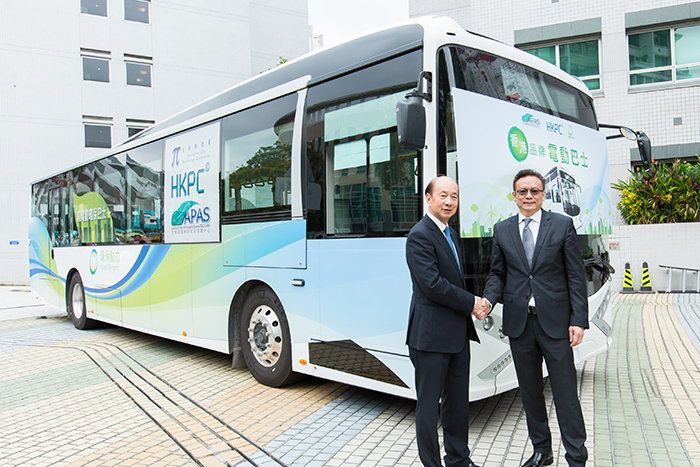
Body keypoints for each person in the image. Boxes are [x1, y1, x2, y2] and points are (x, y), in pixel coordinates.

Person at [476, 169, 588, 467]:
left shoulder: (562, 225)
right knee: (530, 392)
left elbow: (576, 277)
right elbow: (498, 274)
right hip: (519, 323)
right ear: (514, 195)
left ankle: (576, 456)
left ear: (543, 194)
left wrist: (578, 320)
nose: (528, 196)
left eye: (534, 191)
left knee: (565, 392)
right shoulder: (502, 229)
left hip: (555, 324)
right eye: (522, 191)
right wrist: (488, 299)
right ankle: (542, 451)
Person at [405, 175, 482, 467]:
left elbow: (456, 280)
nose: (449, 201)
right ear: (428, 198)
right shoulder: (419, 235)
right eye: (443, 195)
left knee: (457, 404)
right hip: (430, 337)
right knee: (428, 407)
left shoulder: (452, 234)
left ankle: (459, 459)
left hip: (457, 335)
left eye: (454, 196)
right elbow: (433, 285)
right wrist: (472, 303)